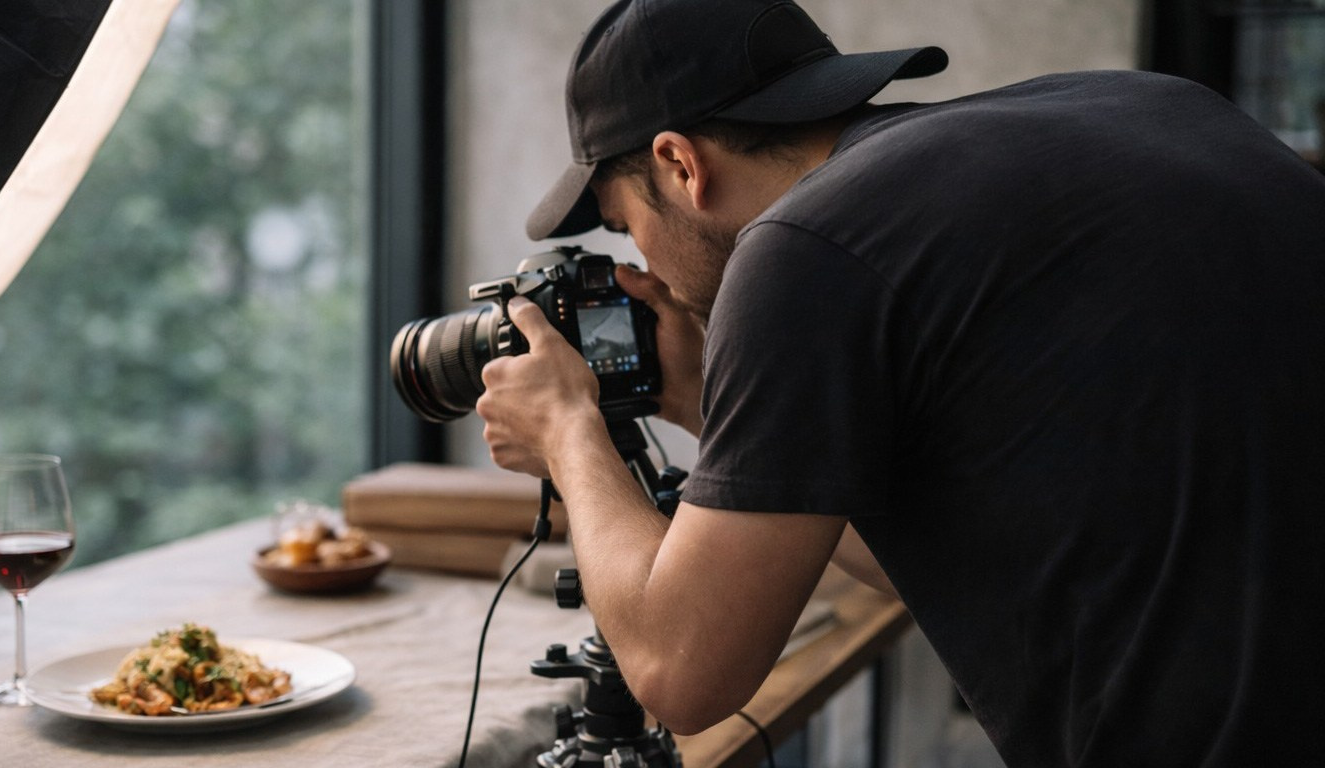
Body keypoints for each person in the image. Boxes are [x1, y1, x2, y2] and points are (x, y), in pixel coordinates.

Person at [472, 0, 1325, 765]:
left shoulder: (804, 247)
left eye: (625, 225)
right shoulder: (1149, 106)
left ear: (680, 165)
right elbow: (953, 543)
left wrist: (568, 429)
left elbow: (681, 672)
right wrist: (700, 400)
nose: (643, 264)